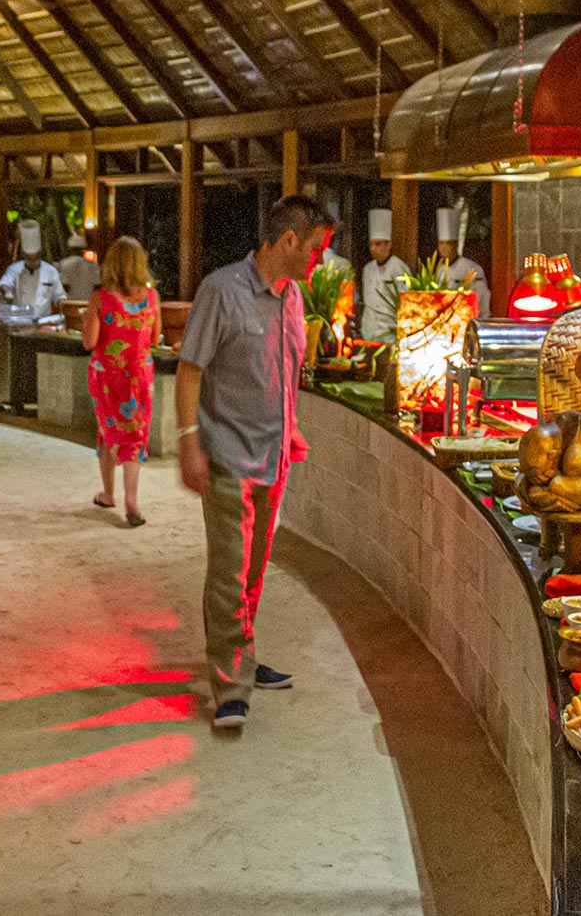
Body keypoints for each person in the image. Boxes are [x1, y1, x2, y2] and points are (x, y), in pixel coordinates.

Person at [176, 193, 332, 732]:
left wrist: (292, 430)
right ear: (288, 240)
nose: (317, 259)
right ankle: (229, 684)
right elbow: (190, 369)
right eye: (314, 248)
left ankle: (243, 651)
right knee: (228, 572)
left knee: (254, 571)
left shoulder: (292, 299)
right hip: (227, 456)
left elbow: (285, 372)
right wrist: (188, 442)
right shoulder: (222, 290)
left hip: (274, 456)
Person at [84, 236, 161, 528]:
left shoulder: (101, 298)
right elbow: (154, 338)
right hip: (140, 375)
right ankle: (121, 496)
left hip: (107, 377)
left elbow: (89, 341)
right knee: (135, 433)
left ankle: (116, 496)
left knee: (108, 427)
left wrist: (88, 318)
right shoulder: (152, 298)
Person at [0, 220, 65, 316]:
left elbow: (60, 296)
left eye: (35, 257)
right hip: (20, 321)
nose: (32, 261)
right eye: (29, 258)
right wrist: (7, 292)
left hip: (43, 323)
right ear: (23, 255)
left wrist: (62, 306)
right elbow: (4, 284)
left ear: (40, 254)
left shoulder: (51, 271)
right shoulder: (14, 269)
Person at [359, 208, 408, 342]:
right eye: (371, 244)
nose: (373, 249)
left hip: (390, 333)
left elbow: (405, 303)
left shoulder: (399, 268)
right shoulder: (367, 269)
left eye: (378, 244)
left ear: (389, 244)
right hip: (368, 332)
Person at [436, 206, 490, 319]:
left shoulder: (472, 269)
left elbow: (483, 299)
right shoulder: (438, 271)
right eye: (441, 243)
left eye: (448, 243)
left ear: (455, 245)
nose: (444, 248)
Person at [57, 231, 100, 302]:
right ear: (83, 249)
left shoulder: (64, 264)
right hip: (88, 303)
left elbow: (65, 286)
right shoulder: (93, 265)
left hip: (71, 304)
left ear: (70, 249)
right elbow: (97, 286)